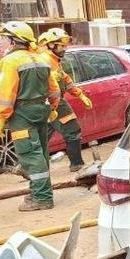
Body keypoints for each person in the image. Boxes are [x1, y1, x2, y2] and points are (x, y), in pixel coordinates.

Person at [0, 21, 60, 212]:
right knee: (40, 153)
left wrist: (1, 119)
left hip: (22, 114)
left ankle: (42, 198)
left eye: (4, 39)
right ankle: (37, 192)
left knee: (31, 154)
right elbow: (54, 89)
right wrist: (53, 107)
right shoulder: (41, 59)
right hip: (41, 110)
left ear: (14, 41)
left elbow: (7, 95)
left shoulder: (11, 61)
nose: (1, 42)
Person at [36, 28, 92, 172]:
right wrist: (54, 104)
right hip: (54, 102)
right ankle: (77, 164)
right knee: (73, 129)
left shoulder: (53, 60)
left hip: (46, 104)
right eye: (62, 45)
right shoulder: (46, 60)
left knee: (43, 135)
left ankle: (31, 167)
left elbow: (65, 79)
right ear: (51, 45)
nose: (65, 49)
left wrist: (79, 94)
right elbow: (51, 84)